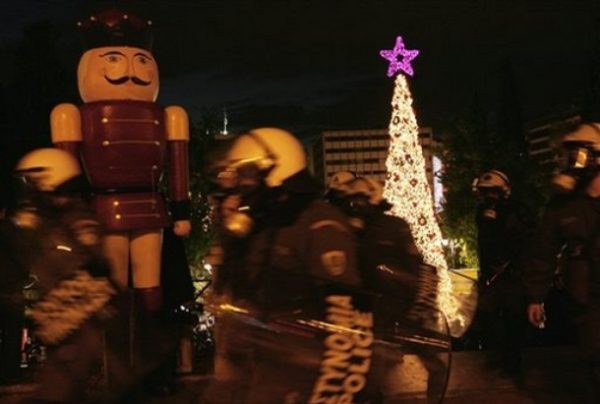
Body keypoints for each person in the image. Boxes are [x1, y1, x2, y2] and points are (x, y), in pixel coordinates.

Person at [49, 8, 192, 386]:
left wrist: (181, 208)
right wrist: (73, 215)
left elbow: (178, 164)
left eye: (140, 59)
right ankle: (114, 369)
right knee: (114, 290)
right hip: (103, 207)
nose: (129, 68)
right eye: (113, 58)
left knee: (150, 290)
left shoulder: (170, 114)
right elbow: (67, 170)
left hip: (149, 205)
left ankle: (149, 365)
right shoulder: (71, 114)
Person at [204, 127, 372, 403]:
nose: (239, 185)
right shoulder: (266, 223)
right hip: (262, 365)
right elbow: (243, 284)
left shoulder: (318, 223)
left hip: (301, 373)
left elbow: (347, 316)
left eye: (245, 174)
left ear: (276, 170)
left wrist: (331, 393)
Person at [9, 148, 122, 402]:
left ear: (51, 181)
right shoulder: (51, 222)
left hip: (78, 327)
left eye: (33, 183)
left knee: (57, 392)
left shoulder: (77, 223)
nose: (29, 192)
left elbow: (89, 275)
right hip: (65, 329)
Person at [328, 174, 449, 403]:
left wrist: (422, 305)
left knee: (435, 365)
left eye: (360, 199)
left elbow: (419, 268)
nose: (355, 205)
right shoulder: (347, 228)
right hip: (371, 314)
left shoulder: (395, 226)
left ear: (372, 198)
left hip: (404, 308)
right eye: (351, 200)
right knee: (370, 378)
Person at [525, 123, 600, 403]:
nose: (571, 162)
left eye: (578, 154)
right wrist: (536, 297)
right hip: (586, 299)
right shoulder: (562, 204)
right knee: (593, 359)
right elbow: (543, 251)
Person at [471, 169, 531, 381]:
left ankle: (513, 364)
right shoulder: (482, 212)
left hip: (512, 276)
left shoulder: (517, 211)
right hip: (491, 276)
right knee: (488, 316)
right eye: (484, 192)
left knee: (513, 319)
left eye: (492, 192)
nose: (488, 197)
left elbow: (522, 243)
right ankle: (498, 357)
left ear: (503, 192)